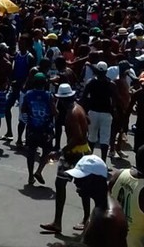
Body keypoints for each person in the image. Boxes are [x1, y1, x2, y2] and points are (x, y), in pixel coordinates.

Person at [40, 80, 91, 235]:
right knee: (80, 187)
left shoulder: (72, 113)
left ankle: (63, 222)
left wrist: (60, 152)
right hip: (82, 151)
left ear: (62, 99)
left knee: (68, 185)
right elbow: (87, 123)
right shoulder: (78, 107)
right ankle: (82, 219)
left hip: (74, 153)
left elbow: (77, 137)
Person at [64, 155, 128, 247]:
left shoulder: (109, 218)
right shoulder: (100, 206)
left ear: (96, 179)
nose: (75, 182)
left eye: (81, 178)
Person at [21, 73, 56, 186]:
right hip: (46, 129)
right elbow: (54, 112)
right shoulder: (49, 95)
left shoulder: (28, 94)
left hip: (32, 128)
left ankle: (31, 176)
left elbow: (23, 109)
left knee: (31, 152)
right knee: (47, 150)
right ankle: (39, 171)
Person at [81, 61, 116, 162]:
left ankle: (89, 160)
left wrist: (83, 110)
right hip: (106, 113)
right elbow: (114, 100)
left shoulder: (91, 82)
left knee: (91, 137)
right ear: (105, 72)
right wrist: (113, 112)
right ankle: (103, 161)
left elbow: (84, 97)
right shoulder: (111, 84)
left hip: (93, 112)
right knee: (105, 139)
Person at [4, 34, 34, 143]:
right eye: (19, 42)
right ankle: (9, 132)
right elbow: (13, 69)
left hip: (24, 90)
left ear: (27, 45)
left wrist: (22, 83)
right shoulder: (16, 55)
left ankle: (21, 138)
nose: (20, 44)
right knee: (7, 108)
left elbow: (31, 75)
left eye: (22, 43)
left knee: (23, 115)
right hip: (14, 87)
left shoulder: (29, 57)